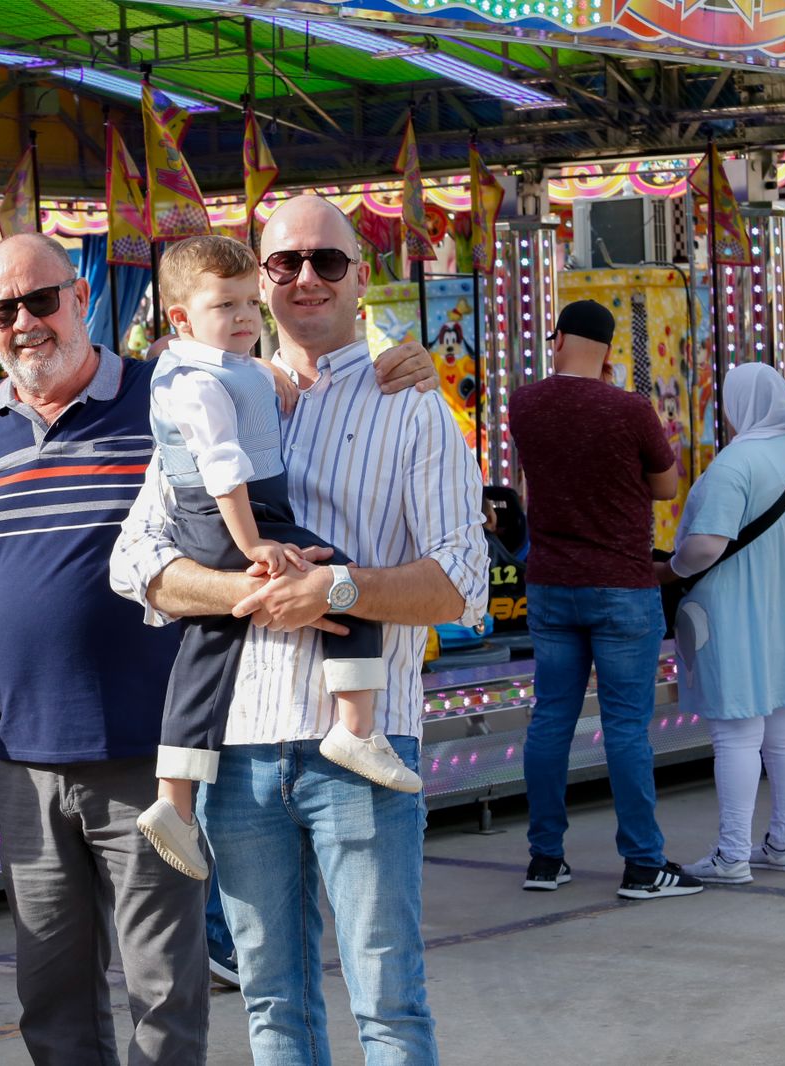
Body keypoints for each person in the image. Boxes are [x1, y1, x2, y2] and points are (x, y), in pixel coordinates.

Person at [0, 230, 442, 1064]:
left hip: (152, 744)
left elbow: (293, 373)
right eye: (3, 309)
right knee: (51, 997)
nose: (25, 322)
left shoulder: (167, 388)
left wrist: (396, 350)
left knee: (164, 996)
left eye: (41, 300)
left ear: (81, 298)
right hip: (26, 757)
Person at [111, 196, 486, 1064]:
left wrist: (335, 591)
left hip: (363, 741)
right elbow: (136, 562)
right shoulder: (208, 393)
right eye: (285, 264)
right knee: (274, 1004)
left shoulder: (412, 404)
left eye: (327, 260)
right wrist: (248, 588)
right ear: (257, 281)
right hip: (236, 748)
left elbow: (460, 584)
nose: (306, 277)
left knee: (387, 1000)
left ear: (362, 276)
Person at [138, 235, 414, 882]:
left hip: (226, 517)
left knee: (209, 646)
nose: (242, 318)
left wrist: (256, 367)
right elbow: (222, 468)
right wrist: (254, 543)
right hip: (232, 516)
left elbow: (198, 363)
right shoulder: (200, 385)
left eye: (247, 305)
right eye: (224, 306)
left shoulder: (215, 366)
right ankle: (356, 726)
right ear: (181, 317)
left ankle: (174, 797)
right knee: (342, 579)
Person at [508, 299, 701, 900]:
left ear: (558, 336)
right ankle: (643, 865)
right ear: (611, 351)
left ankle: (545, 859)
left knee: (550, 720)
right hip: (622, 585)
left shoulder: (525, 403)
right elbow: (666, 487)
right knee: (624, 728)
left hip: (551, 584)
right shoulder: (630, 410)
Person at [664, 363, 785, 883]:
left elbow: (706, 545)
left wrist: (671, 568)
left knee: (736, 736)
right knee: (782, 733)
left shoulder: (733, 466)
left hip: (732, 616)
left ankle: (732, 855)